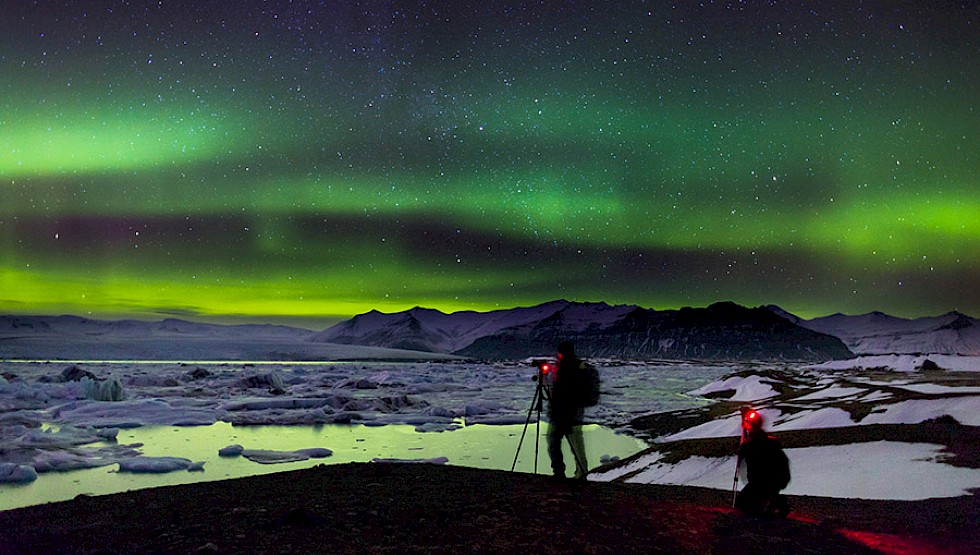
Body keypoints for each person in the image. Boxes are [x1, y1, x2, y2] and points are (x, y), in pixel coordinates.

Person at [734, 408, 791, 516]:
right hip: (777, 481)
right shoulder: (771, 442)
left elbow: (744, 455)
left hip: (760, 482)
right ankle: (774, 501)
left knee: (743, 506)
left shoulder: (749, 445)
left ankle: (773, 503)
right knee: (753, 502)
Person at [546, 340, 589, 480]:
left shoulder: (566, 369)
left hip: (565, 413)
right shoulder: (577, 367)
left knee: (555, 441)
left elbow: (558, 391)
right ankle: (581, 473)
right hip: (573, 413)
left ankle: (560, 472)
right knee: (576, 445)